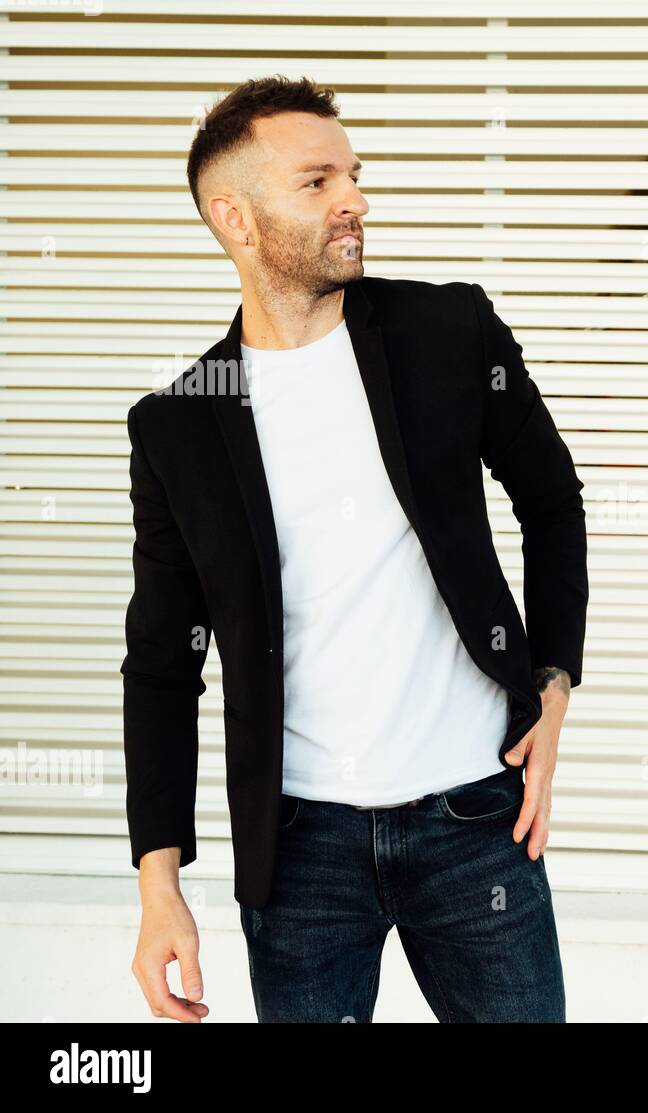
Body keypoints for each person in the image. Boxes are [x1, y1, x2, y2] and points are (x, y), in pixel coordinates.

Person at [122, 75, 586, 1022]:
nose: (356, 199)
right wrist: (159, 883)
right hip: (298, 850)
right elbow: (163, 665)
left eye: (355, 175)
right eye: (318, 181)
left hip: (475, 819)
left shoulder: (449, 330)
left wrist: (555, 679)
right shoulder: (178, 424)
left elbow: (552, 499)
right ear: (236, 219)